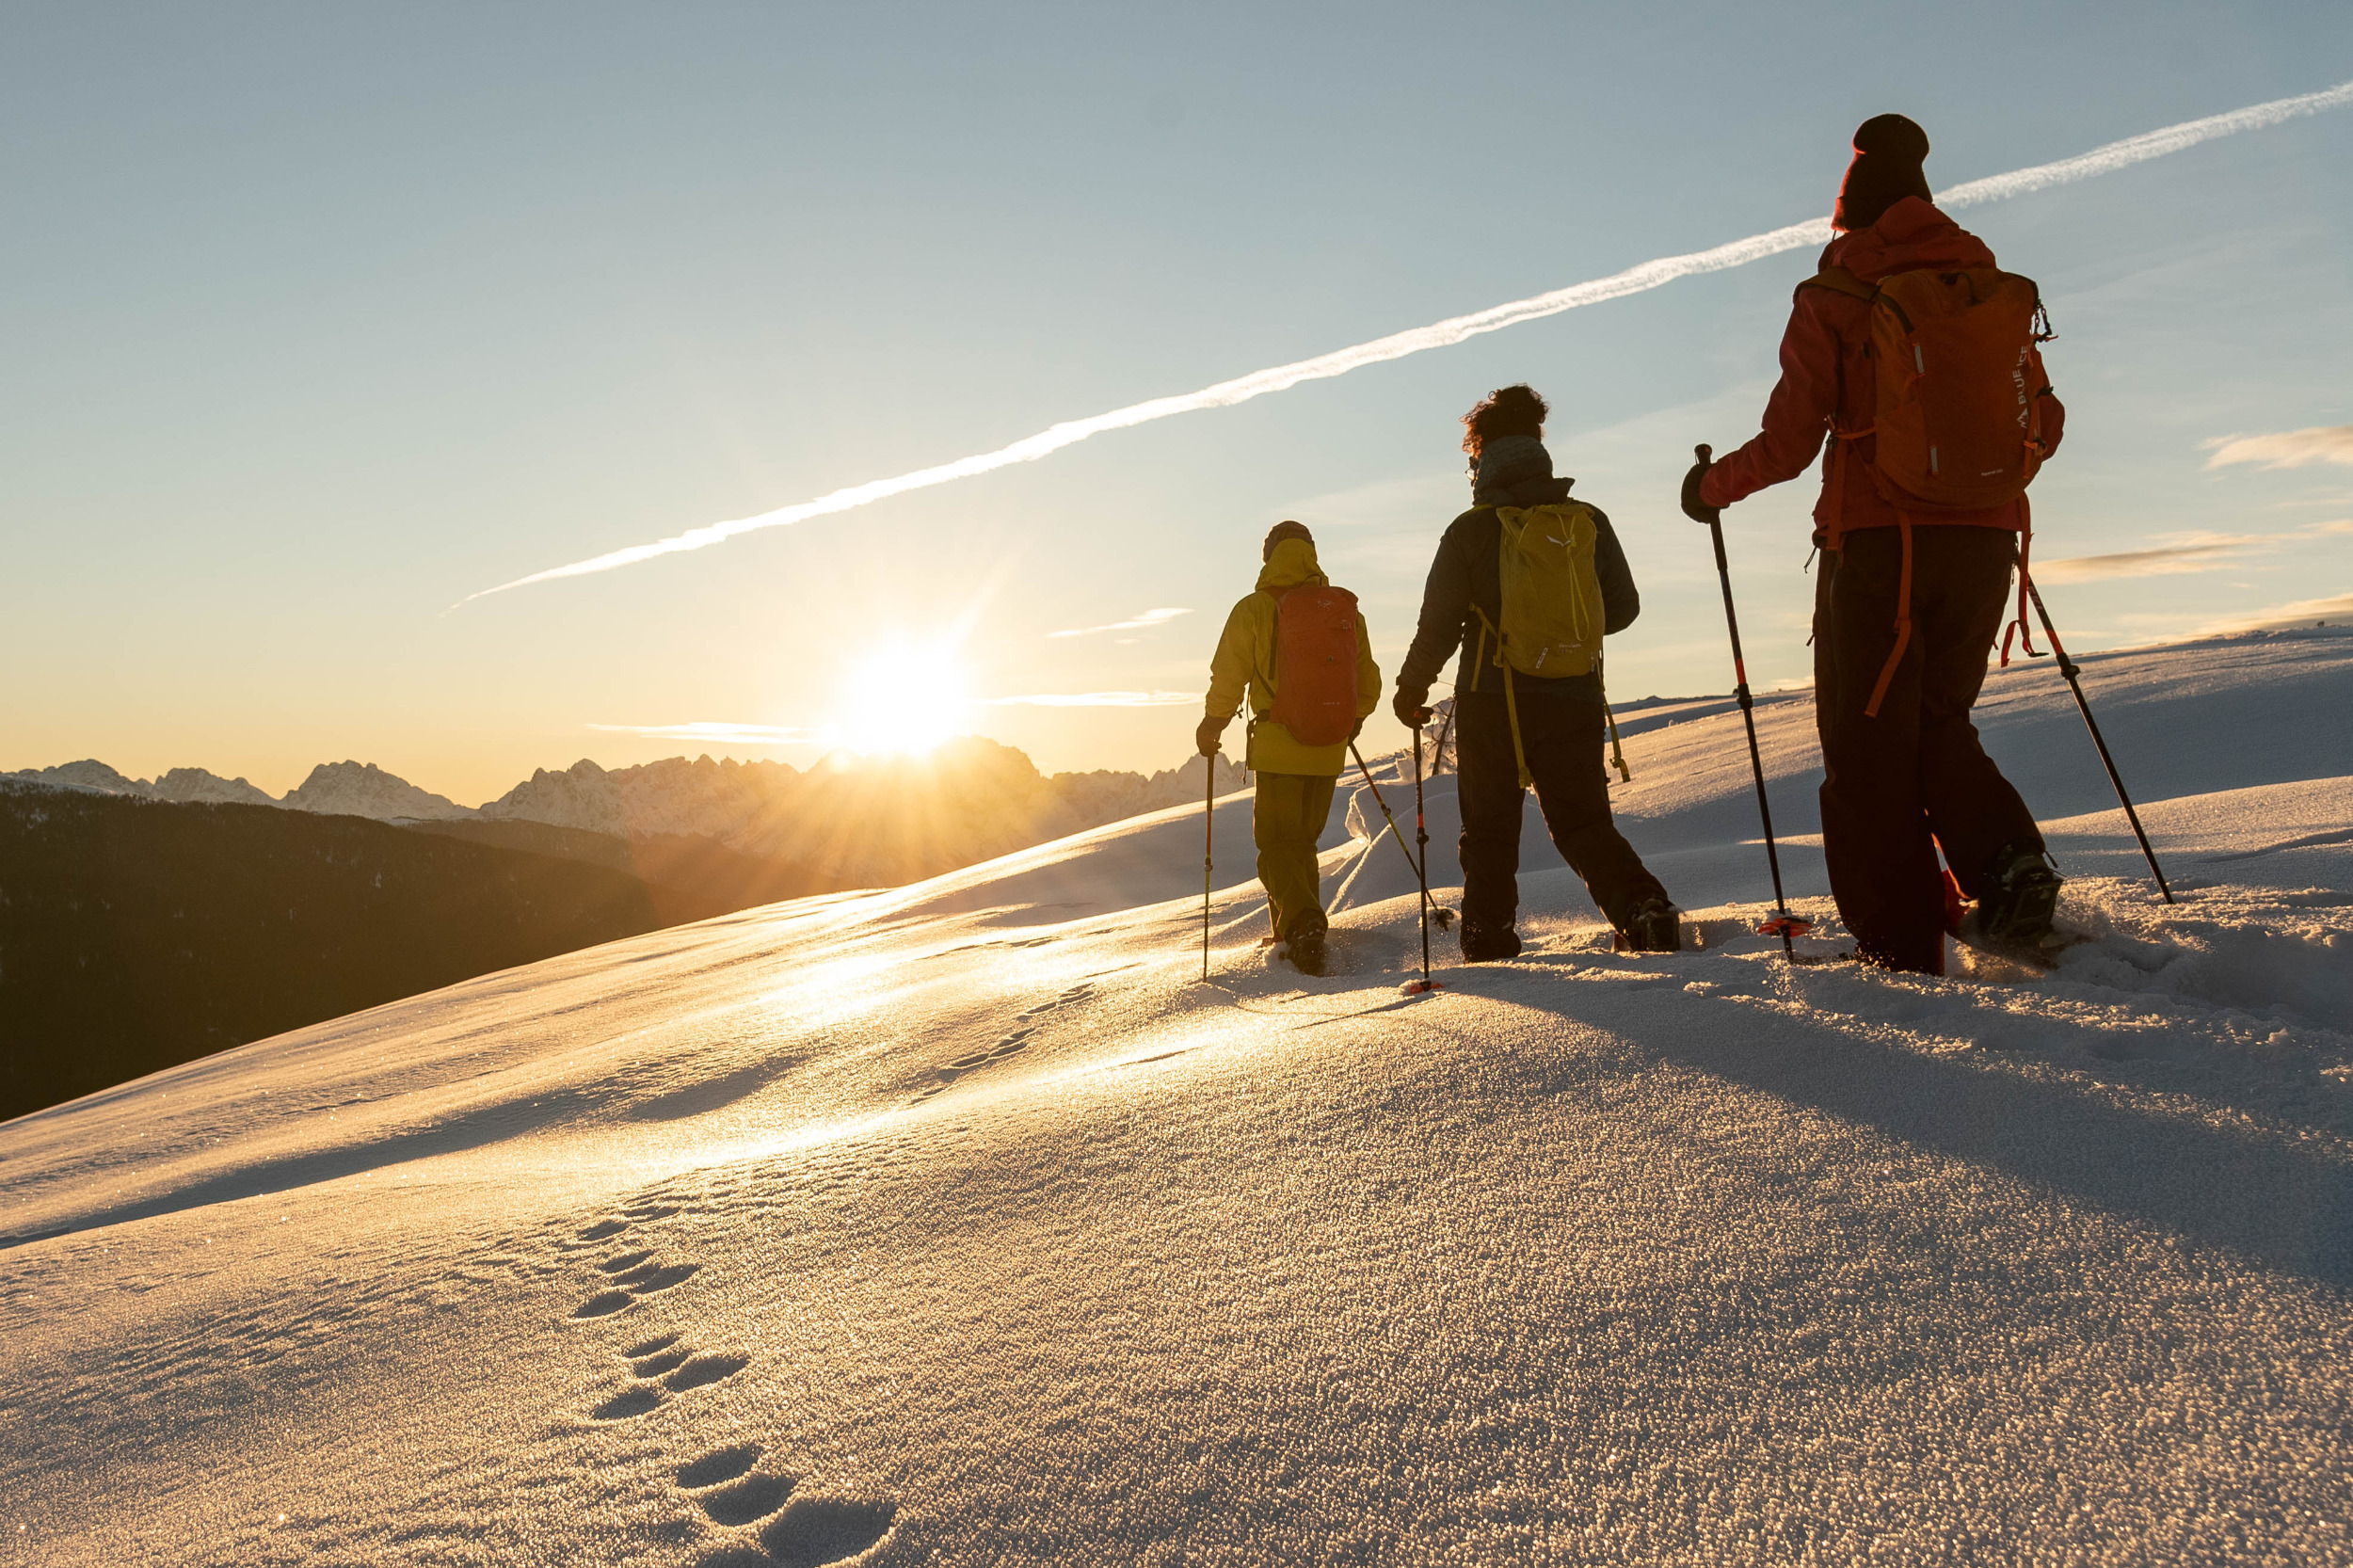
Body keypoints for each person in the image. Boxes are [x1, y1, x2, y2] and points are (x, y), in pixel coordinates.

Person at [1682, 113, 2067, 974]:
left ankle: (1899, 940)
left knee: (1864, 748)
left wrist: (1709, 489)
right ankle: (2011, 869)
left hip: (1877, 546)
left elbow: (1789, 443)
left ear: (1849, 207)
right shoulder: (1985, 285)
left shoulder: (1837, 293)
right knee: (1939, 721)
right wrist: (1978, 483)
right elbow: (2045, 419)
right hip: (1986, 544)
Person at [1395, 385, 1678, 959]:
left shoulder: (1471, 530)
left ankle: (1489, 939)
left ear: (1482, 456)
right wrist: (1562, 632)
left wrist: (1411, 689)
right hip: (1573, 693)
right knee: (1582, 823)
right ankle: (1643, 909)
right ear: (1538, 446)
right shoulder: (1586, 521)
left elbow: (1439, 625)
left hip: (1491, 698)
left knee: (1491, 829)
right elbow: (1622, 609)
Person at [1198, 520, 1382, 977]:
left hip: (1279, 744)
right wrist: (1350, 720)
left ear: (1268, 556)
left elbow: (1229, 674)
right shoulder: (1342, 609)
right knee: (1301, 844)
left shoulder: (1256, 609)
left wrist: (1214, 721)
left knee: (1276, 846)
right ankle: (1293, 933)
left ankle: (1302, 923)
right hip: (1327, 748)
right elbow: (1369, 681)